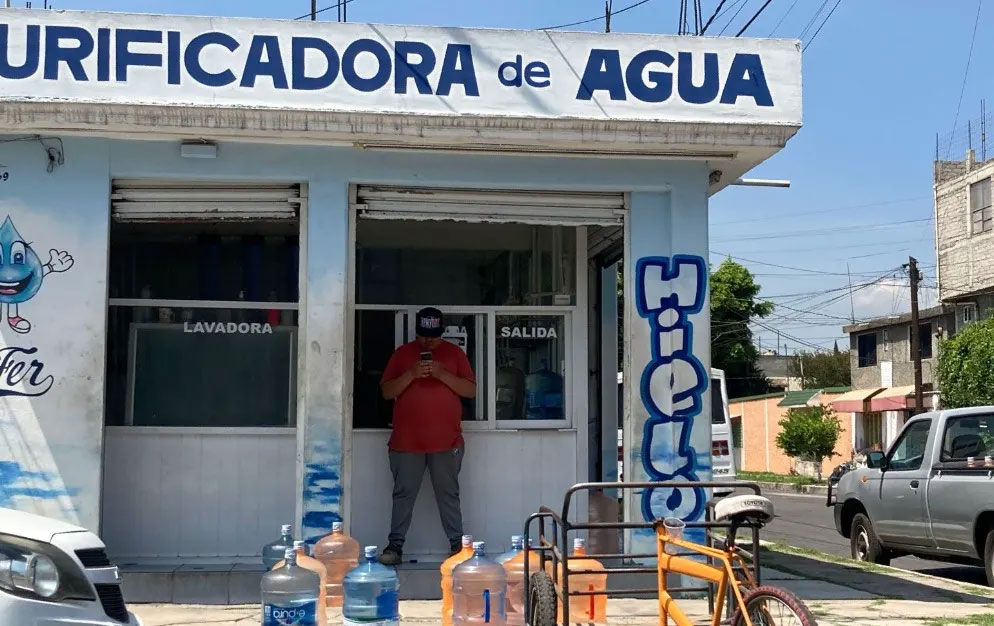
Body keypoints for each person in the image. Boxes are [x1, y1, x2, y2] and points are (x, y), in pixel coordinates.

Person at [378, 307, 477, 565]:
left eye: (432, 337)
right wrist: (411, 374)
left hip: (447, 441)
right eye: (423, 336)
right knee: (403, 495)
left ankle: (457, 546)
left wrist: (442, 374)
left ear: (441, 332)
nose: (427, 342)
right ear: (416, 332)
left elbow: (470, 390)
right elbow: (387, 392)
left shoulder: (454, 354)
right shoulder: (402, 354)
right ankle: (395, 546)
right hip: (406, 442)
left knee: (448, 494)